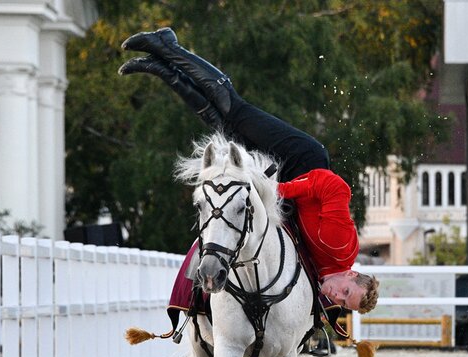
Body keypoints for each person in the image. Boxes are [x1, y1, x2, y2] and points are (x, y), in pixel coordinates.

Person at [118, 28, 379, 313]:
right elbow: (331, 185)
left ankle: (160, 69)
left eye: (343, 303)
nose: (337, 297)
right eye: (345, 292)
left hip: (285, 175)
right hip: (301, 159)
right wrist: (279, 191)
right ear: (352, 275)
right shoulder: (340, 248)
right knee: (235, 109)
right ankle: (168, 47)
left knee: (222, 125)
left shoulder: (324, 273)